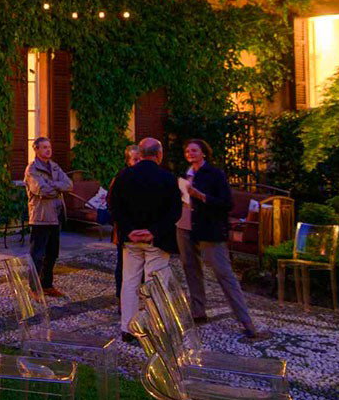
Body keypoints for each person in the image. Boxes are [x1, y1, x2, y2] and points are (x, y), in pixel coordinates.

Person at [177, 138, 266, 341]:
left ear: (204, 153)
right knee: (190, 269)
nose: (190, 153)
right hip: (184, 226)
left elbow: (226, 203)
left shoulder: (215, 174)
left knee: (223, 273)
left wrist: (201, 196)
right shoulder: (185, 175)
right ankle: (198, 311)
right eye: (188, 150)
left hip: (209, 229)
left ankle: (245, 321)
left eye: (194, 150)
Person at [107, 136, 182, 343]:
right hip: (156, 240)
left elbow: (114, 206)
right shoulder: (167, 178)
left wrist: (130, 230)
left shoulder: (124, 176)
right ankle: (153, 326)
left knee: (130, 282)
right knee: (154, 283)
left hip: (131, 240)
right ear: (159, 154)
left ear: (140, 154)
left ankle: (128, 328)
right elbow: (175, 211)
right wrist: (153, 231)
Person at [24, 136, 73, 297]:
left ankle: (47, 285)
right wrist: (57, 187)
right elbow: (41, 190)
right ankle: (33, 288)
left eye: (49, 147)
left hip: (55, 216)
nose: (48, 149)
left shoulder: (54, 167)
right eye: (44, 147)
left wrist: (53, 185)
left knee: (52, 253)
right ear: (36, 149)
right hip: (40, 216)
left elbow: (69, 185)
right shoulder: (32, 170)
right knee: (37, 255)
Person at [108, 144, 141, 312]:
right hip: (125, 231)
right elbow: (112, 204)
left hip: (143, 231)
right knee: (123, 266)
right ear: (128, 161)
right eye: (135, 159)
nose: (138, 162)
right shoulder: (121, 178)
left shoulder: (146, 177)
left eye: (140, 159)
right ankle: (122, 300)